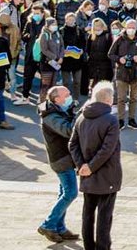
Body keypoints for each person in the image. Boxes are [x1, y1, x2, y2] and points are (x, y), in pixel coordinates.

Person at [69, 81, 122, 250]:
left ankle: (88, 247)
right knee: (104, 216)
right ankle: (103, 247)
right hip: (107, 175)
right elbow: (107, 149)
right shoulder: (111, 120)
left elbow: (72, 144)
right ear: (109, 99)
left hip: (87, 175)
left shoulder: (81, 117)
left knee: (88, 214)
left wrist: (82, 165)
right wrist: (90, 166)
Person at [38, 85, 80, 243]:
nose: (70, 96)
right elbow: (69, 130)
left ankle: (59, 228)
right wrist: (79, 115)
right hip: (61, 159)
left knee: (64, 193)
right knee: (70, 193)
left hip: (65, 157)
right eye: (67, 94)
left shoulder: (59, 109)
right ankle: (47, 225)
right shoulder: (50, 116)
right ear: (57, 99)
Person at [108, 19, 137, 130]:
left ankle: (132, 120)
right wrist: (119, 59)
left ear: (136, 28)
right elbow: (110, 54)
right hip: (122, 72)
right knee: (121, 98)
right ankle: (120, 120)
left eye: (133, 27)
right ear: (125, 27)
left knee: (134, 98)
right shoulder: (120, 38)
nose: (131, 29)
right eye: (129, 27)